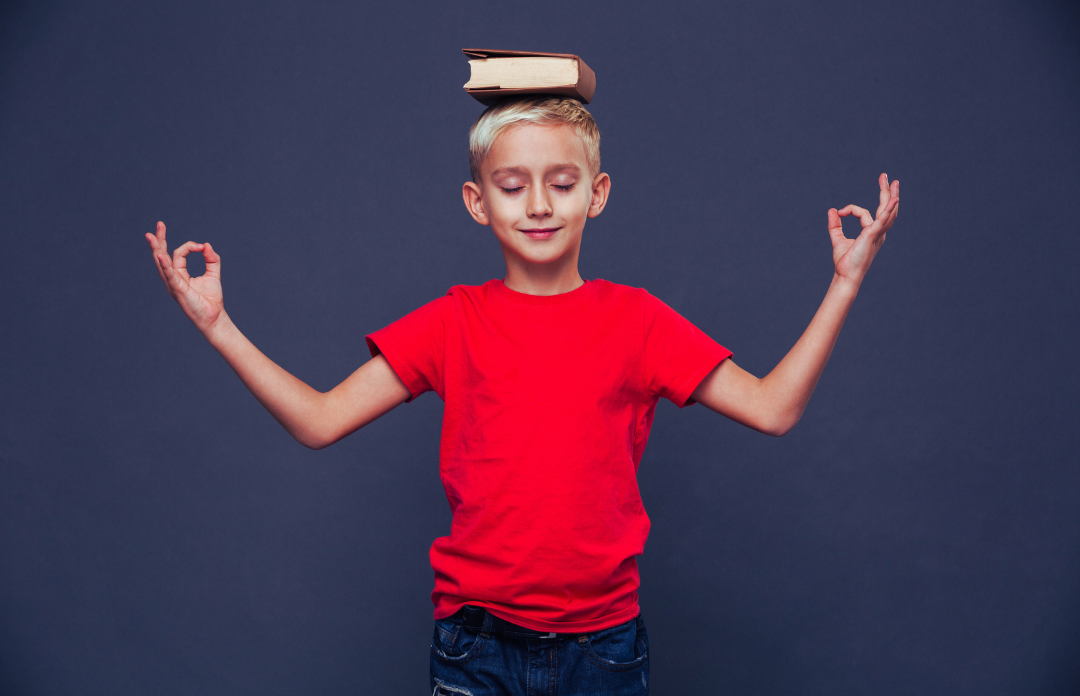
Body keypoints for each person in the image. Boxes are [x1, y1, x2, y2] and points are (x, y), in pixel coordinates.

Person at [145, 95, 899, 696]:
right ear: (478, 202)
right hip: (476, 645)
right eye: (513, 186)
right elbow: (317, 420)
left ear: (596, 194)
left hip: (603, 647)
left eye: (562, 183)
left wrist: (844, 283)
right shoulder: (452, 321)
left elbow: (774, 408)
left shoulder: (637, 320)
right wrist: (220, 328)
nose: (538, 203)